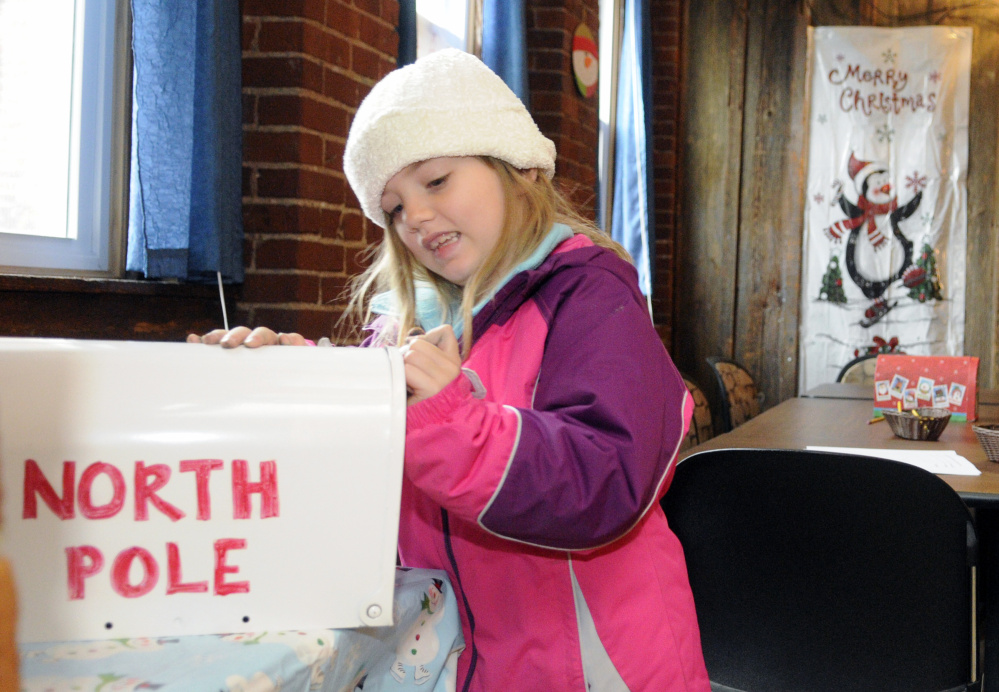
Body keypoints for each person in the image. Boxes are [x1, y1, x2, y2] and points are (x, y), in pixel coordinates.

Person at [190, 48, 709, 691]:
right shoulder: (405, 332)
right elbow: (361, 476)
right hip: (454, 667)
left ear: (518, 168)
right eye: (395, 207)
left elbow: (606, 478)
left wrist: (451, 422)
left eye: (435, 182)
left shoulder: (589, 296)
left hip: (598, 669)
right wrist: (300, 382)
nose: (418, 218)